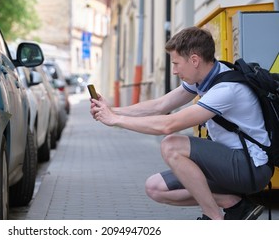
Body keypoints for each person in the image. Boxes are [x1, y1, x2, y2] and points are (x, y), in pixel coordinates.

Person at [89, 26, 273, 220]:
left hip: (250, 167)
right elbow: (160, 105)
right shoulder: (204, 78)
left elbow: (168, 125)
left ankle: (213, 218)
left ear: (194, 60)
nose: (175, 71)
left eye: (176, 64)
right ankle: (234, 204)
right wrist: (112, 110)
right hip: (227, 164)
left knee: (171, 145)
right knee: (155, 188)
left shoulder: (226, 89)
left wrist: (116, 120)